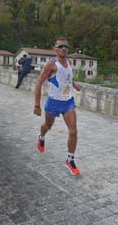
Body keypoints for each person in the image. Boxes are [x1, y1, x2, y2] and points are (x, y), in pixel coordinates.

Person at [33, 37, 82, 175]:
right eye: (60, 46)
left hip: (68, 102)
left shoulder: (68, 63)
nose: (63, 48)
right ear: (55, 49)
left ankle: (70, 160)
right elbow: (38, 83)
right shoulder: (51, 64)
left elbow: (66, 79)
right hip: (53, 102)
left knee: (73, 131)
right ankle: (41, 137)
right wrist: (37, 105)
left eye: (66, 46)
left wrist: (74, 84)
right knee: (47, 126)